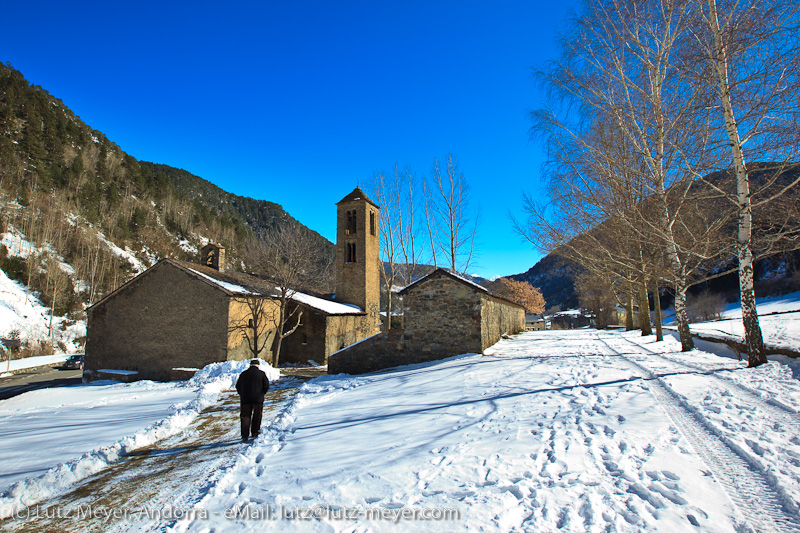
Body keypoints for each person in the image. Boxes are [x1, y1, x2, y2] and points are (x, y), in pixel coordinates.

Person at [235, 359, 270, 442]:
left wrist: (242, 394)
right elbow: (266, 386)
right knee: (257, 416)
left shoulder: (243, 374)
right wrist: (262, 393)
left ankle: (244, 435)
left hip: (245, 399)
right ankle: (255, 432)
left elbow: (238, 386)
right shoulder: (261, 374)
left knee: (245, 417)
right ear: (258, 366)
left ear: (250, 365)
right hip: (258, 399)